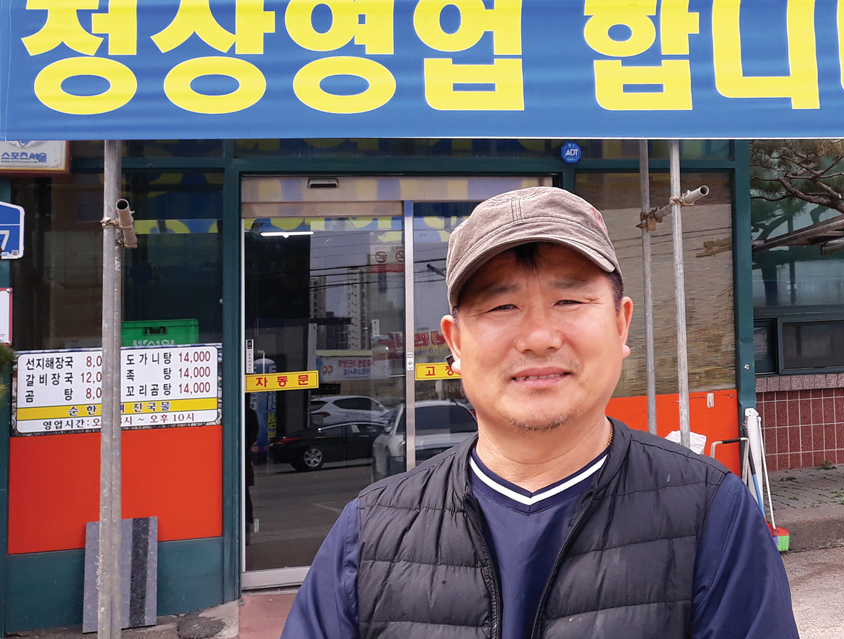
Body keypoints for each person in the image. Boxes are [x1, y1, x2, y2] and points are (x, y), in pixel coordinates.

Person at [282, 186, 799, 639]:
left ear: (621, 325)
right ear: (455, 343)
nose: (538, 338)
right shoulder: (368, 532)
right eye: (501, 307)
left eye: (569, 302)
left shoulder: (713, 515)